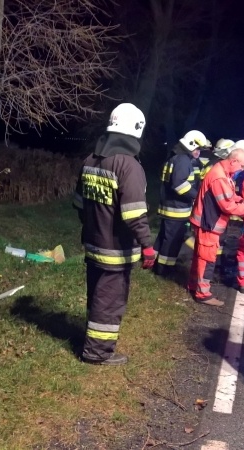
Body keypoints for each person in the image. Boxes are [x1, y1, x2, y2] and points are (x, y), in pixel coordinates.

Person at [72, 103, 154, 366]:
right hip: (116, 250)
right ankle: (97, 353)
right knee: (109, 301)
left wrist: (93, 227)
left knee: (97, 295)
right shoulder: (129, 166)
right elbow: (134, 214)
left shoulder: (90, 160)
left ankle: (91, 342)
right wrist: (148, 246)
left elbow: (79, 204)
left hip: (94, 244)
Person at [189, 141, 244, 306]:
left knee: (200, 257)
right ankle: (202, 293)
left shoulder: (223, 173)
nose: (242, 169)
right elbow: (227, 206)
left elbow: (230, 196)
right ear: (233, 161)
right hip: (209, 225)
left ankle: (194, 285)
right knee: (207, 259)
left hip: (205, 222)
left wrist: (243, 200)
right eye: (242, 165)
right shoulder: (220, 177)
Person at [153, 130, 208, 277]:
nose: (198, 152)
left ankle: (154, 262)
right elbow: (179, 185)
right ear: (190, 145)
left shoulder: (175, 158)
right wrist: (197, 196)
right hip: (177, 208)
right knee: (172, 241)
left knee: (164, 237)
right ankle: (164, 270)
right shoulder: (183, 160)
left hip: (169, 206)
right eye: (197, 148)